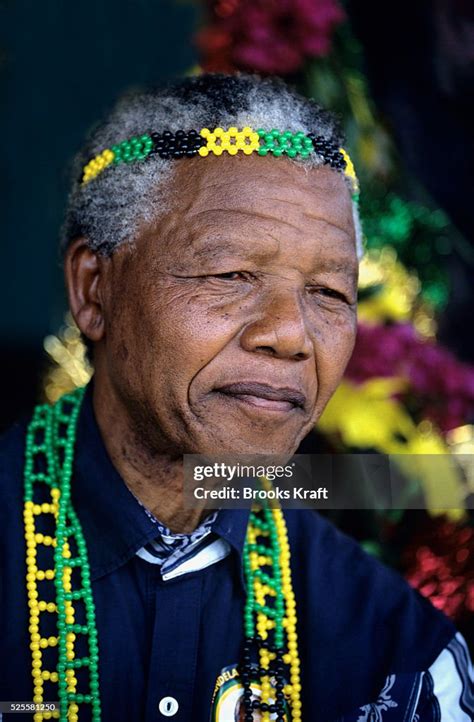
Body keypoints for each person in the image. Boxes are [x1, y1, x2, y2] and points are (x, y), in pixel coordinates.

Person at [0, 74, 472, 722]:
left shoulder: (401, 660)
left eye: (330, 293)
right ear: (93, 289)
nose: (290, 335)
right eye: (231, 275)